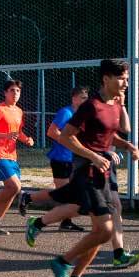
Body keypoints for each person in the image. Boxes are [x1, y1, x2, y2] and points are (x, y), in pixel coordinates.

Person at [36, 59, 139, 277]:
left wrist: (128, 146)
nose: (126, 82)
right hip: (87, 172)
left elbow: (118, 131)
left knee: (99, 231)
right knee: (104, 230)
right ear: (106, 78)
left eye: (127, 77)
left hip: (103, 175)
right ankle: (62, 262)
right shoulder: (90, 106)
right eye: (121, 78)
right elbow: (65, 137)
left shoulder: (114, 104)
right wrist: (92, 156)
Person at [18, 86, 90, 232]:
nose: (85, 101)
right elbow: (52, 131)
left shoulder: (81, 116)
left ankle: (63, 220)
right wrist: (69, 142)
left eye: (86, 98)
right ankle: (28, 198)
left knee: (68, 193)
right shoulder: (66, 112)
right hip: (60, 159)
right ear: (74, 98)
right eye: (82, 98)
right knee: (63, 193)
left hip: (73, 159)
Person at [0, 79, 35, 234]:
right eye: (12, 90)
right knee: (15, 186)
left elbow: (17, 133)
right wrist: (6, 135)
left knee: (11, 190)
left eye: (18, 91)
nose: (15, 93)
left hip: (12, 156)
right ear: (5, 93)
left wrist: (26, 139)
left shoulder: (18, 111)